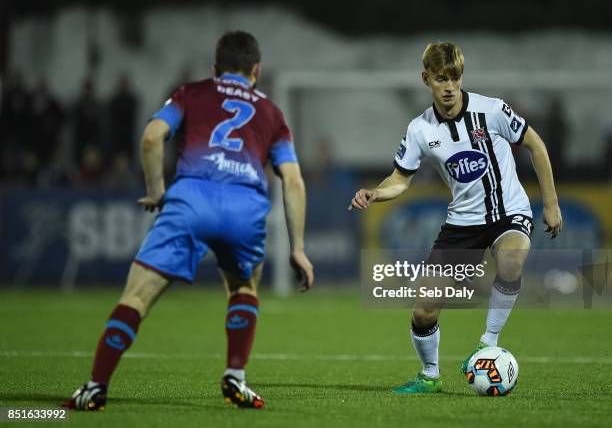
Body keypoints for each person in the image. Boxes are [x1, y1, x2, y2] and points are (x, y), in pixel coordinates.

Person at [62, 30, 314, 410]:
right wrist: (297, 248)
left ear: (216, 69)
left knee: (136, 297)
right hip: (244, 207)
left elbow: (151, 138)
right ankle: (236, 377)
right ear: (256, 70)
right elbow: (293, 179)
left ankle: (96, 387)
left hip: (192, 198)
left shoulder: (191, 93)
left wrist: (156, 191)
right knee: (244, 287)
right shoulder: (273, 113)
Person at [348, 42, 562, 393]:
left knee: (511, 259)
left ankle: (487, 342)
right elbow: (400, 178)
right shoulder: (420, 129)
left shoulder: (492, 111)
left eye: (454, 78)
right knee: (423, 311)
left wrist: (551, 204)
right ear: (426, 79)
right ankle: (429, 375)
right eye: (440, 79)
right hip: (462, 223)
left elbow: (535, 145)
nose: (449, 86)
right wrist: (376, 193)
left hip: (509, 211)